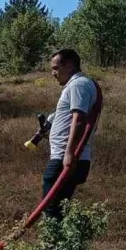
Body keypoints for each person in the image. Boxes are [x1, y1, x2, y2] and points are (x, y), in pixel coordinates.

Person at [41, 48, 99, 220]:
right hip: (66, 158)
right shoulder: (77, 85)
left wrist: (69, 153)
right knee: (57, 210)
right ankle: (61, 246)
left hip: (65, 159)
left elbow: (79, 119)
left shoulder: (78, 85)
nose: (53, 73)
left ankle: (50, 247)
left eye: (56, 68)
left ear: (70, 65)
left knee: (51, 212)